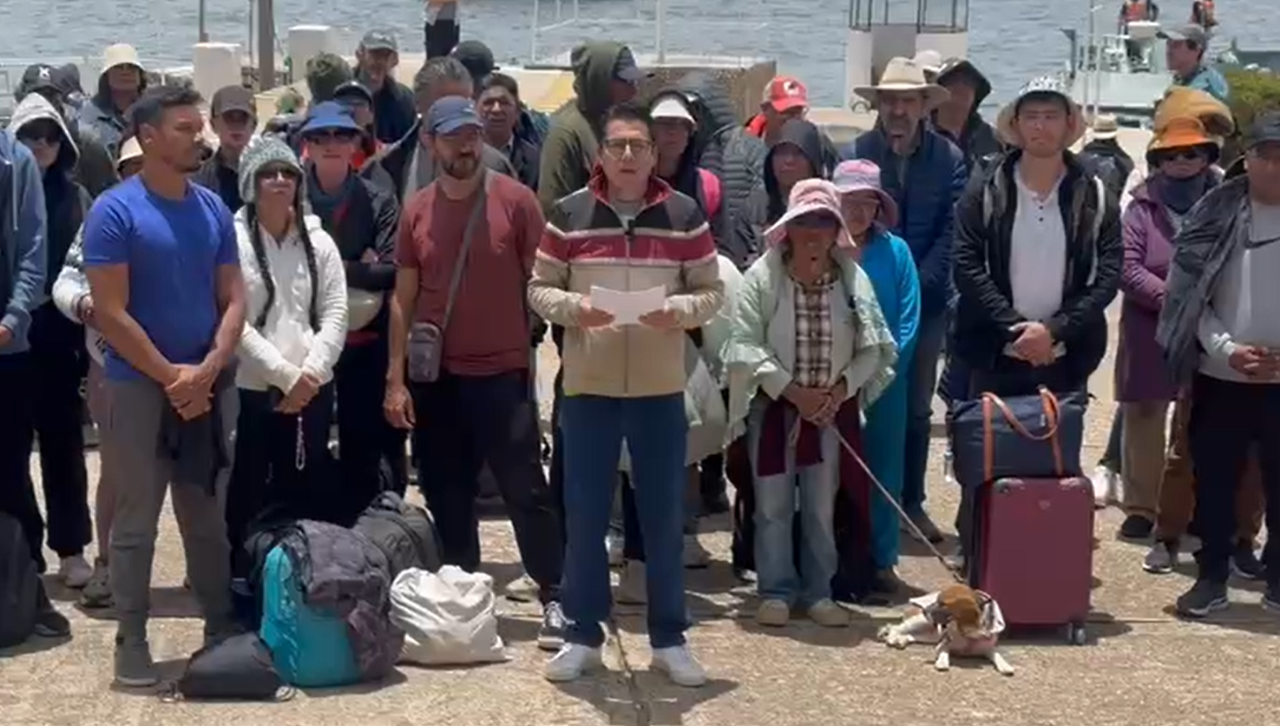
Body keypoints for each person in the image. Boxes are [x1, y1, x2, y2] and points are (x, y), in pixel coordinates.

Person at [528, 102, 724, 686]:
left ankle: (670, 639)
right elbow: (539, 288)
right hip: (589, 386)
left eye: (640, 145)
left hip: (661, 388)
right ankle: (582, 636)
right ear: (601, 155)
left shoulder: (686, 215)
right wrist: (576, 311)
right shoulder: (569, 215)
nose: (630, 155)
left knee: (663, 518)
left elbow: (712, 292)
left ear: (655, 152)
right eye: (619, 146)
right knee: (585, 517)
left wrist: (678, 312)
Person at [384, 95, 566, 649]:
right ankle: (465, 597)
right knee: (446, 490)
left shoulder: (517, 202)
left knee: (525, 490)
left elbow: (546, 282)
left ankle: (555, 593)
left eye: (471, 135)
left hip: (503, 373)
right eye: (452, 136)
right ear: (431, 143)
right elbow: (403, 298)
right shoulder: (415, 209)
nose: (465, 145)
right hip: (436, 378)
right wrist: (395, 379)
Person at [83, 85, 245, 686]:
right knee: (136, 518)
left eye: (198, 126)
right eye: (184, 128)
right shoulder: (114, 212)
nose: (199, 137)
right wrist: (171, 377)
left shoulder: (211, 210)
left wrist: (205, 372)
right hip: (136, 389)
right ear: (147, 137)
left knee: (204, 514)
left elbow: (235, 298)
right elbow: (111, 311)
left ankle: (220, 630)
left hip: (204, 386)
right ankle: (131, 639)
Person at [724, 178, 897, 627]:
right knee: (773, 505)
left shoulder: (852, 280)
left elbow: (874, 347)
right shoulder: (762, 277)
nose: (815, 232)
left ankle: (819, 591)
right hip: (776, 409)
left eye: (825, 221)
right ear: (789, 228)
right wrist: (792, 391)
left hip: (828, 412)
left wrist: (838, 392)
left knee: (822, 505)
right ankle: (776, 590)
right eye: (805, 221)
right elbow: (744, 345)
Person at [1157, 111, 1280, 618]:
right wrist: (1228, 349)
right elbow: (1190, 299)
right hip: (1220, 375)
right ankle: (1210, 578)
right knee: (1213, 482)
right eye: (1265, 156)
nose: (1274, 167)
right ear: (1245, 159)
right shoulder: (1215, 213)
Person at [849, 56, 966, 543]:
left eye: (908, 100)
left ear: (924, 105)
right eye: (890, 100)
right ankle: (858, 501)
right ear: (878, 105)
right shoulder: (859, 151)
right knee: (860, 401)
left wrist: (913, 282)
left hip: (929, 299)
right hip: (862, 297)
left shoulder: (950, 158)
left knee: (917, 406)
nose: (898, 109)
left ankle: (910, 501)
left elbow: (953, 229)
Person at [953, 75, 1121, 398]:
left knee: (1059, 447)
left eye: (1050, 116)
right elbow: (966, 265)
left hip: (1067, 357)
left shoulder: (1096, 196)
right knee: (989, 446)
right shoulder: (985, 190)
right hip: (993, 354)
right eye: (1031, 117)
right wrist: (1016, 329)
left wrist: (1053, 331)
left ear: (1069, 123)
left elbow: (1107, 277)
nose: (1040, 127)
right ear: (1016, 124)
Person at [225, 137, 348, 576]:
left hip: (313, 388)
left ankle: (306, 582)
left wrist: (309, 375)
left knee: (309, 484)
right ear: (250, 183)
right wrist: (282, 376)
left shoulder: (320, 243)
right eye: (268, 173)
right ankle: (245, 578)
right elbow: (233, 321)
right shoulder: (232, 241)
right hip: (256, 389)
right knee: (251, 487)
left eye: (288, 173)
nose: (279, 181)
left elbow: (335, 311)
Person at [1115, 100, 1226, 542]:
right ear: (1157, 160)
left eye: (1192, 154)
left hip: (1212, 325)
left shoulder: (1227, 201)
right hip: (1149, 325)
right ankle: (1142, 506)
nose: (1182, 163)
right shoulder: (1140, 207)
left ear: (1207, 158)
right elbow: (1127, 267)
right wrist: (1174, 299)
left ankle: (1192, 505)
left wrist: (1201, 305)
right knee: (1144, 413)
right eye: (1171, 156)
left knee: (1203, 415)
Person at [51, 136, 145, 609]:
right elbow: (65, 281)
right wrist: (84, 303)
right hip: (110, 363)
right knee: (115, 470)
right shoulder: (101, 217)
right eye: (131, 166)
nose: (140, 173)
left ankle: (200, 573)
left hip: (180, 365)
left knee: (190, 475)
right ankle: (107, 563)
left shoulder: (191, 211)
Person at [301, 101, 406, 514]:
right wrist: (357, 266)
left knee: (365, 442)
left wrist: (323, 265)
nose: (331, 144)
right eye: (319, 136)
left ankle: (370, 529)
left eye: (341, 135)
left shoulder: (379, 198)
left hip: (365, 342)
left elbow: (391, 271)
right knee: (304, 444)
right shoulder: (289, 195)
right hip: (304, 344)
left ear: (355, 143)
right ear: (306, 144)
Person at [8, 91, 95, 590]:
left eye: (49, 137)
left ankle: (71, 545)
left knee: (64, 443)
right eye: (29, 136)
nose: (41, 146)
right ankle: (23, 549)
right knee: (12, 446)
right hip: (12, 331)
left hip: (61, 332)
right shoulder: (5, 187)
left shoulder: (75, 196)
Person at [0, 101, 71, 640]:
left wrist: (14, 315)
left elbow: (33, 251)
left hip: (8, 344)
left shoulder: (17, 162)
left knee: (9, 470)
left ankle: (28, 589)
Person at [833, 160, 919, 592]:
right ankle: (829, 562)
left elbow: (908, 319)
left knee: (884, 473)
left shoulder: (897, 251)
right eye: (850, 200)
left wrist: (881, 374)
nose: (859, 210)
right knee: (827, 477)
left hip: (886, 384)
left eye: (869, 201)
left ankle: (883, 562)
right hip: (827, 383)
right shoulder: (820, 244)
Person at [365, 56, 514, 204]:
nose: (454, 114)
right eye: (444, 105)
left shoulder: (496, 166)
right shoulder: (387, 165)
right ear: (418, 105)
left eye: (463, 104)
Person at [537, 42, 649, 212]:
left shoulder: (621, 123)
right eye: (626, 81)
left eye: (635, 80)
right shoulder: (566, 134)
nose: (634, 89)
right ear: (600, 80)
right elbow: (551, 207)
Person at [673, 72, 768, 269]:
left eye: (696, 109)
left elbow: (761, 207)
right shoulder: (682, 154)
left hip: (743, 258)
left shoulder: (749, 148)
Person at [733, 118, 829, 265]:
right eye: (782, 152)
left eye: (798, 153)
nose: (788, 160)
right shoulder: (753, 208)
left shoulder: (828, 209)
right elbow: (741, 261)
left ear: (813, 161)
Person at [14, 63, 117, 198]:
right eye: (35, 98)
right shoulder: (7, 145)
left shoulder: (87, 143)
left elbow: (108, 193)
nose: (43, 105)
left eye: (51, 98)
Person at [744, 76, 838, 176]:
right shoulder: (744, 145)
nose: (794, 119)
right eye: (787, 112)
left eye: (798, 112)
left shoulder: (820, 143)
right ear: (765, 109)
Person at [931, 58, 1003, 173]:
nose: (961, 87)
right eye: (952, 83)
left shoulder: (992, 137)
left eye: (968, 84)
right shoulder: (919, 134)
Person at [193, 85, 257, 213]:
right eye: (229, 118)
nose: (236, 125)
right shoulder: (198, 181)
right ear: (213, 125)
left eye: (243, 118)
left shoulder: (270, 175)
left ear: (254, 125)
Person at [78, 44, 146, 162]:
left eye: (131, 67)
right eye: (119, 67)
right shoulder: (89, 114)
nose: (126, 72)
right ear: (106, 76)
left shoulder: (154, 108)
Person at [478, 73, 542, 191]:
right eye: (488, 103)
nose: (496, 109)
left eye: (504, 102)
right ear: (475, 109)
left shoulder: (534, 159)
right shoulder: (465, 155)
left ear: (517, 111)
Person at [355, 30, 418, 146]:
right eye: (374, 54)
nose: (379, 61)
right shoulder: (342, 94)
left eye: (385, 55)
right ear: (359, 54)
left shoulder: (404, 100)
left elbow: (409, 145)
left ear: (395, 60)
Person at [1160, 25, 1230, 103]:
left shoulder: (1205, 87)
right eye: (1168, 44)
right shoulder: (1184, 78)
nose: (1169, 51)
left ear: (1196, 49)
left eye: (1176, 45)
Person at [332, 81, 385, 170]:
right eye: (343, 104)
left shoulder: (383, 154)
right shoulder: (320, 151)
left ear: (370, 116)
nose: (351, 109)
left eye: (358, 104)